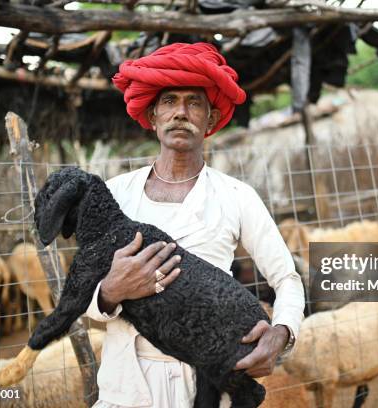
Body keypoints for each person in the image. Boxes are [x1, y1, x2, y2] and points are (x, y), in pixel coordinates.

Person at [86, 42, 305, 408]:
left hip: (205, 384)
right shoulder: (115, 195)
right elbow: (84, 296)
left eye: (194, 103)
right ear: (154, 116)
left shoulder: (236, 196)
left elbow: (287, 279)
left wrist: (281, 332)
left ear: (211, 120)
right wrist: (110, 291)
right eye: (169, 101)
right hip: (124, 386)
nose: (180, 113)